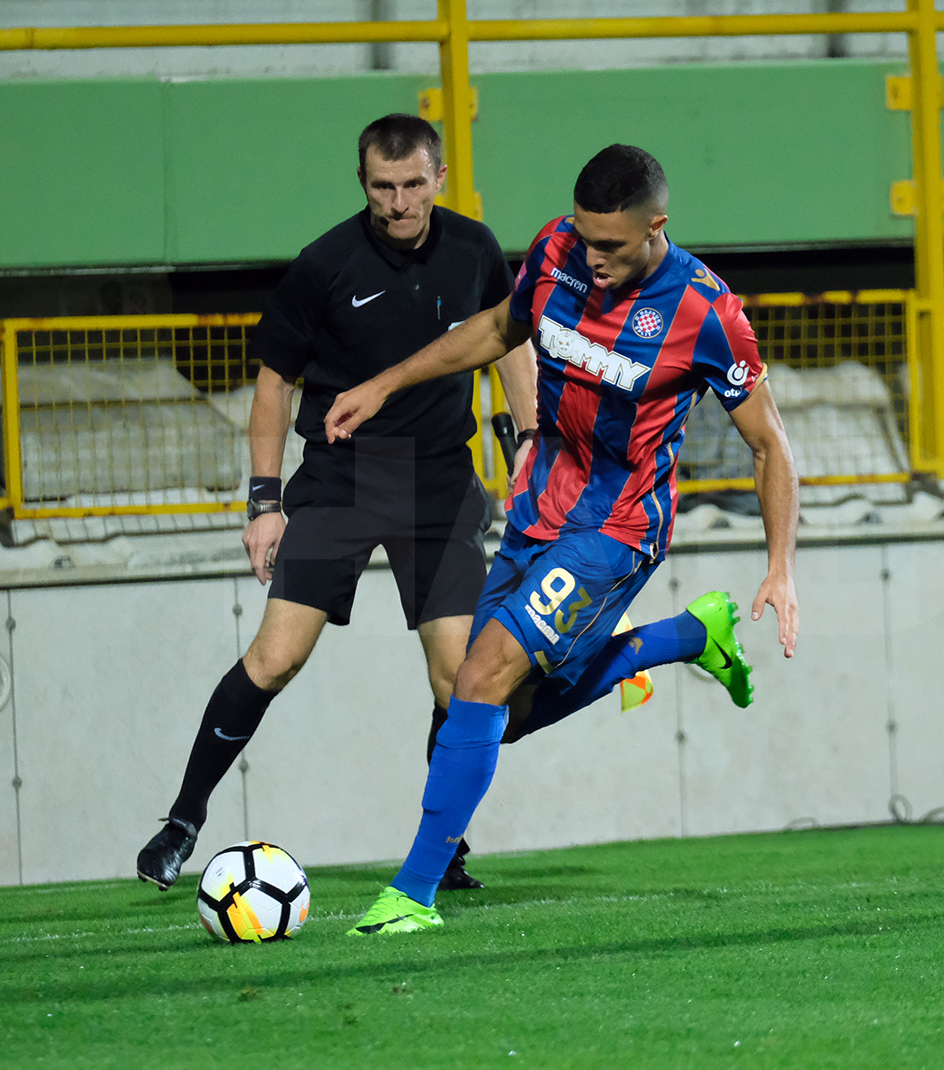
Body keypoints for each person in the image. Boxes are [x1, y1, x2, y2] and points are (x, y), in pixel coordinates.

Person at [327, 144, 801, 934]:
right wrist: (382, 384)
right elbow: (495, 329)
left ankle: (411, 894)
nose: (593, 256)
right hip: (539, 508)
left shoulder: (706, 313)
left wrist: (780, 565)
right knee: (485, 715)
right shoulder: (556, 251)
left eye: (610, 245)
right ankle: (687, 637)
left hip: (615, 530)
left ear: (658, 228)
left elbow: (771, 445)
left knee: (478, 680)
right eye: (585, 237)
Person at [136, 114, 535, 894]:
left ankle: (441, 844)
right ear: (364, 185)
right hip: (340, 478)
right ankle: (182, 820)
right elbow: (274, 384)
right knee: (276, 658)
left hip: (440, 484)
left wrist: (529, 440)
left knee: (461, 681)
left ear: (439, 178)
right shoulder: (324, 265)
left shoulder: (476, 249)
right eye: (383, 188)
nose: (399, 203)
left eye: (414, 184)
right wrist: (264, 501)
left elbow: (509, 340)